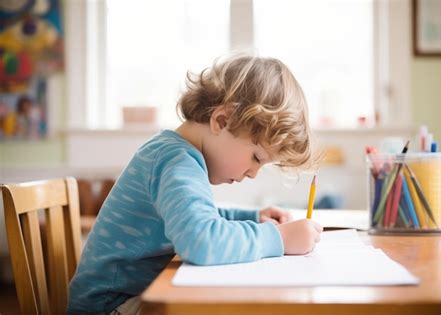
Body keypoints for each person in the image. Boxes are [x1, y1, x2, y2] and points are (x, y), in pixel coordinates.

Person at [67, 54, 323, 315]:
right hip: (110, 306)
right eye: (256, 157)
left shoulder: (175, 152)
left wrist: (253, 217)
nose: (253, 173)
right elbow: (201, 240)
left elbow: (196, 218)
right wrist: (278, 238)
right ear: (222, 121)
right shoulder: (176, 161)